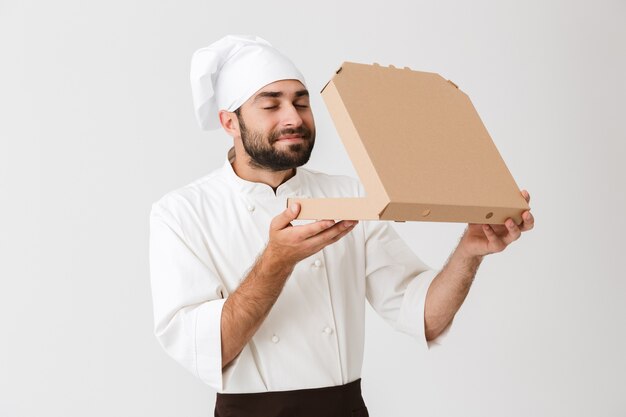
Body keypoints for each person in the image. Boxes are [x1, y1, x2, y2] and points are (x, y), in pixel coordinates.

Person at [148, 35, 534, 417]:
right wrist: (277, 260)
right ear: (229, 122)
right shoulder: (182, 213)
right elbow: (211, 349)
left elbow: (425, 317)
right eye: (271, 105)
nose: (294, 118)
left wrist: (469, 250)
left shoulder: (350, 196)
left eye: (302, 103)